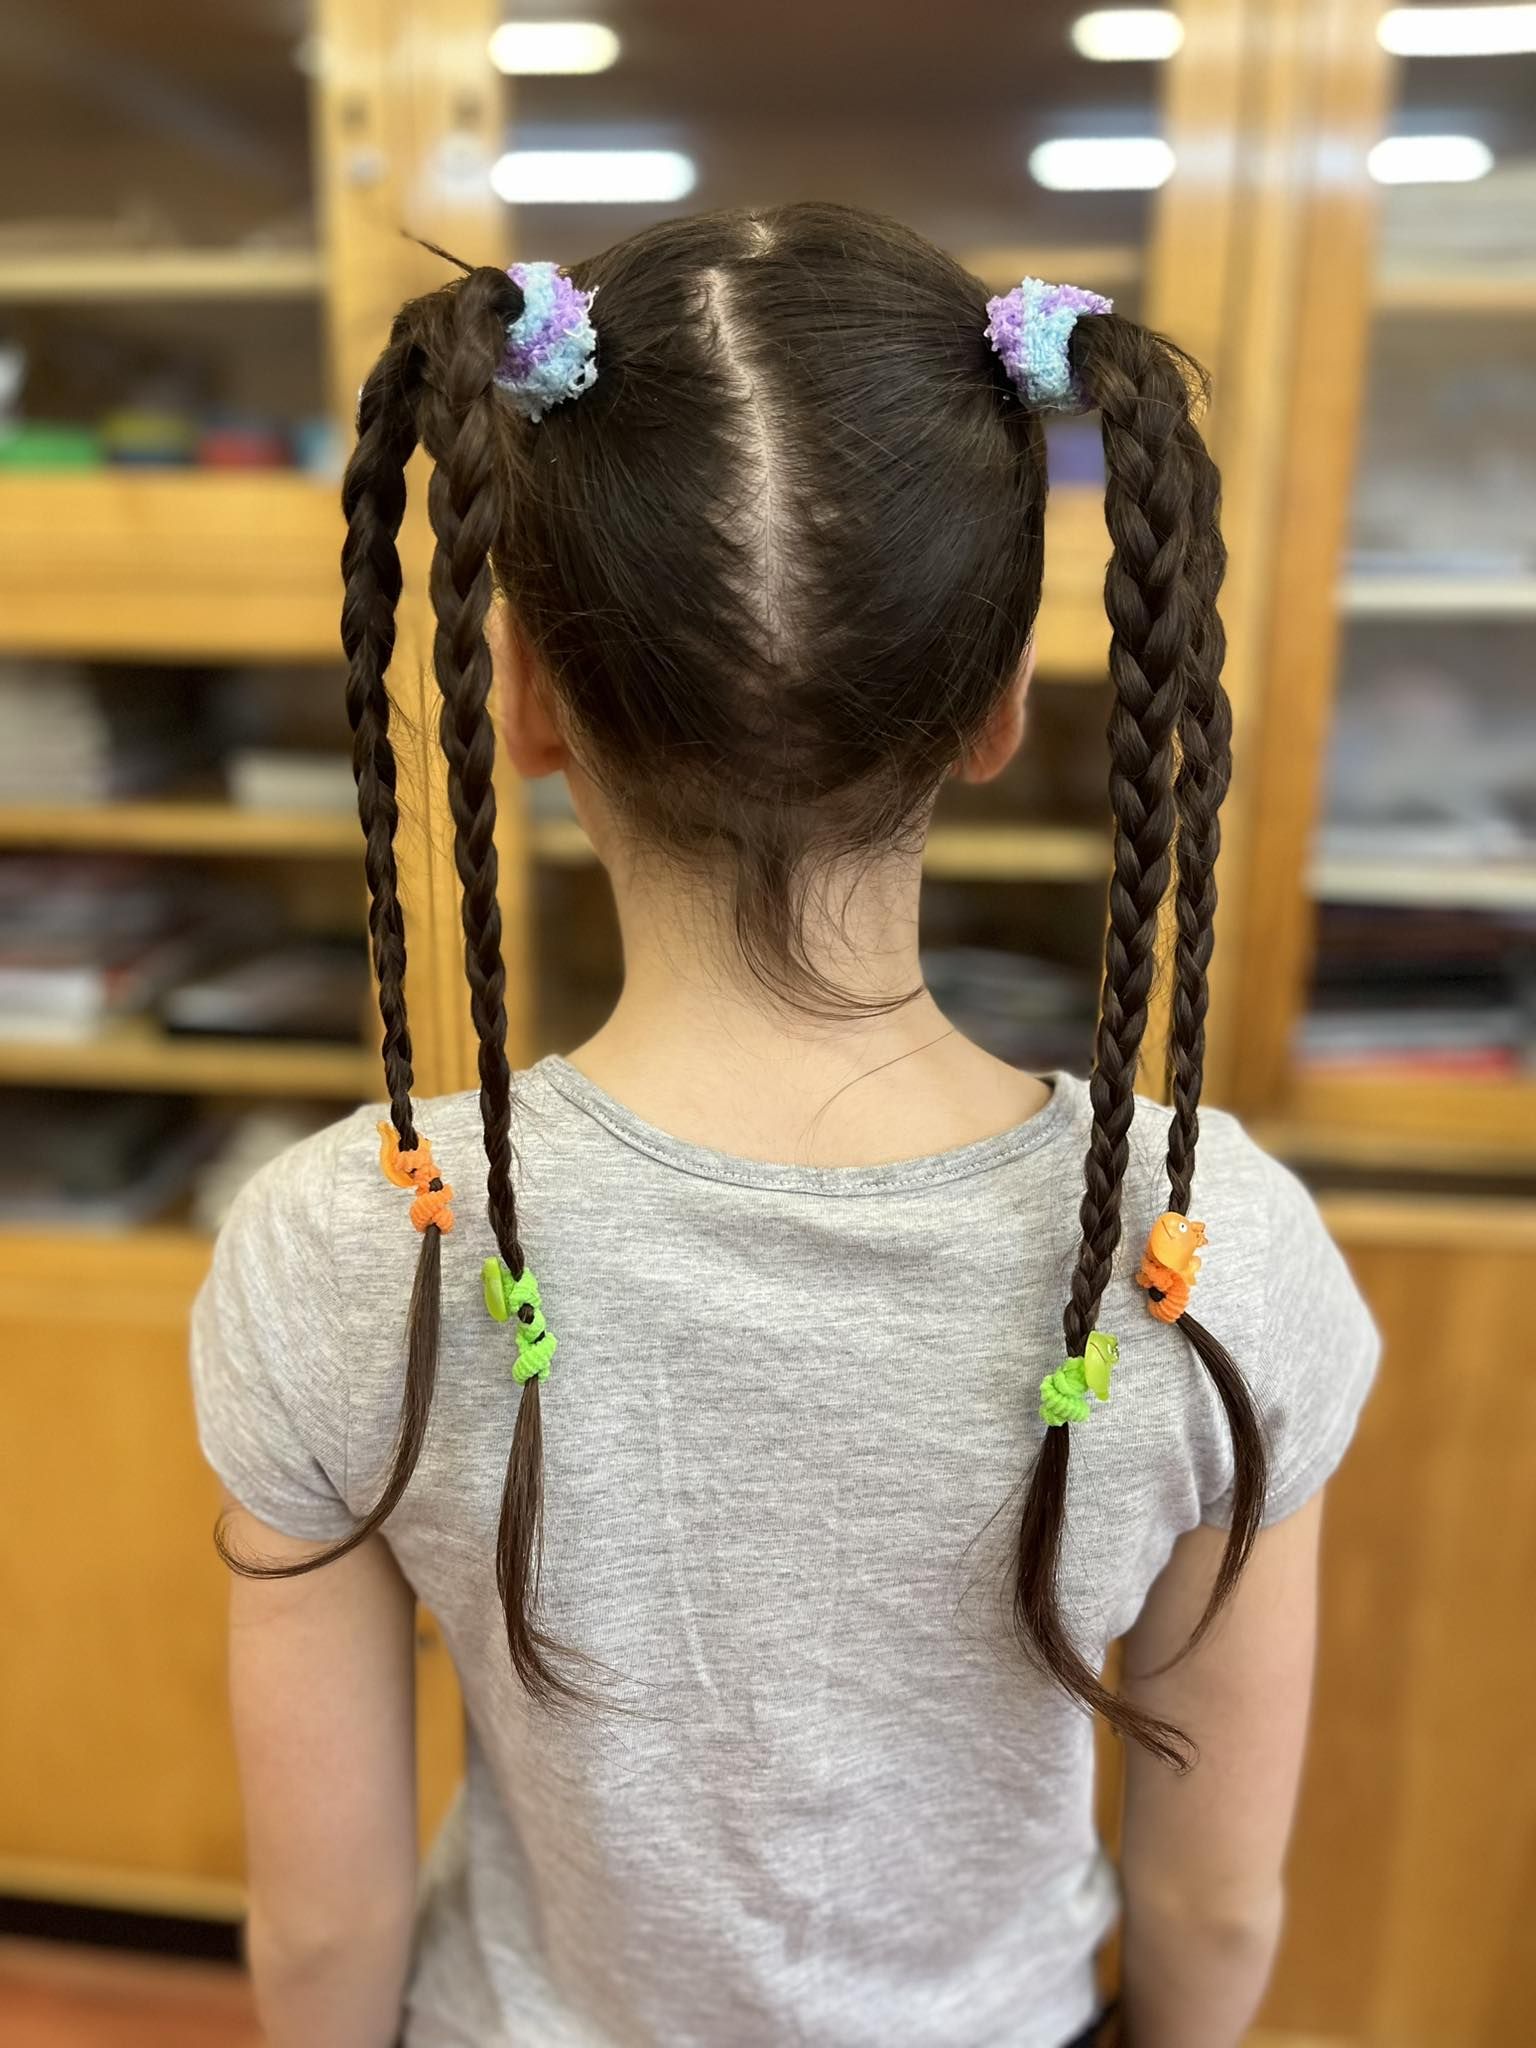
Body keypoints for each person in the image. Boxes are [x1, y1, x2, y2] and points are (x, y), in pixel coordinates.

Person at [191, 203, 1379, 2048]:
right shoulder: (1208, 1241)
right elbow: (1213, 1904)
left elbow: (322, 1930)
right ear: (999, 706)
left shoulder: (351, 1236)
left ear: (523, 697)